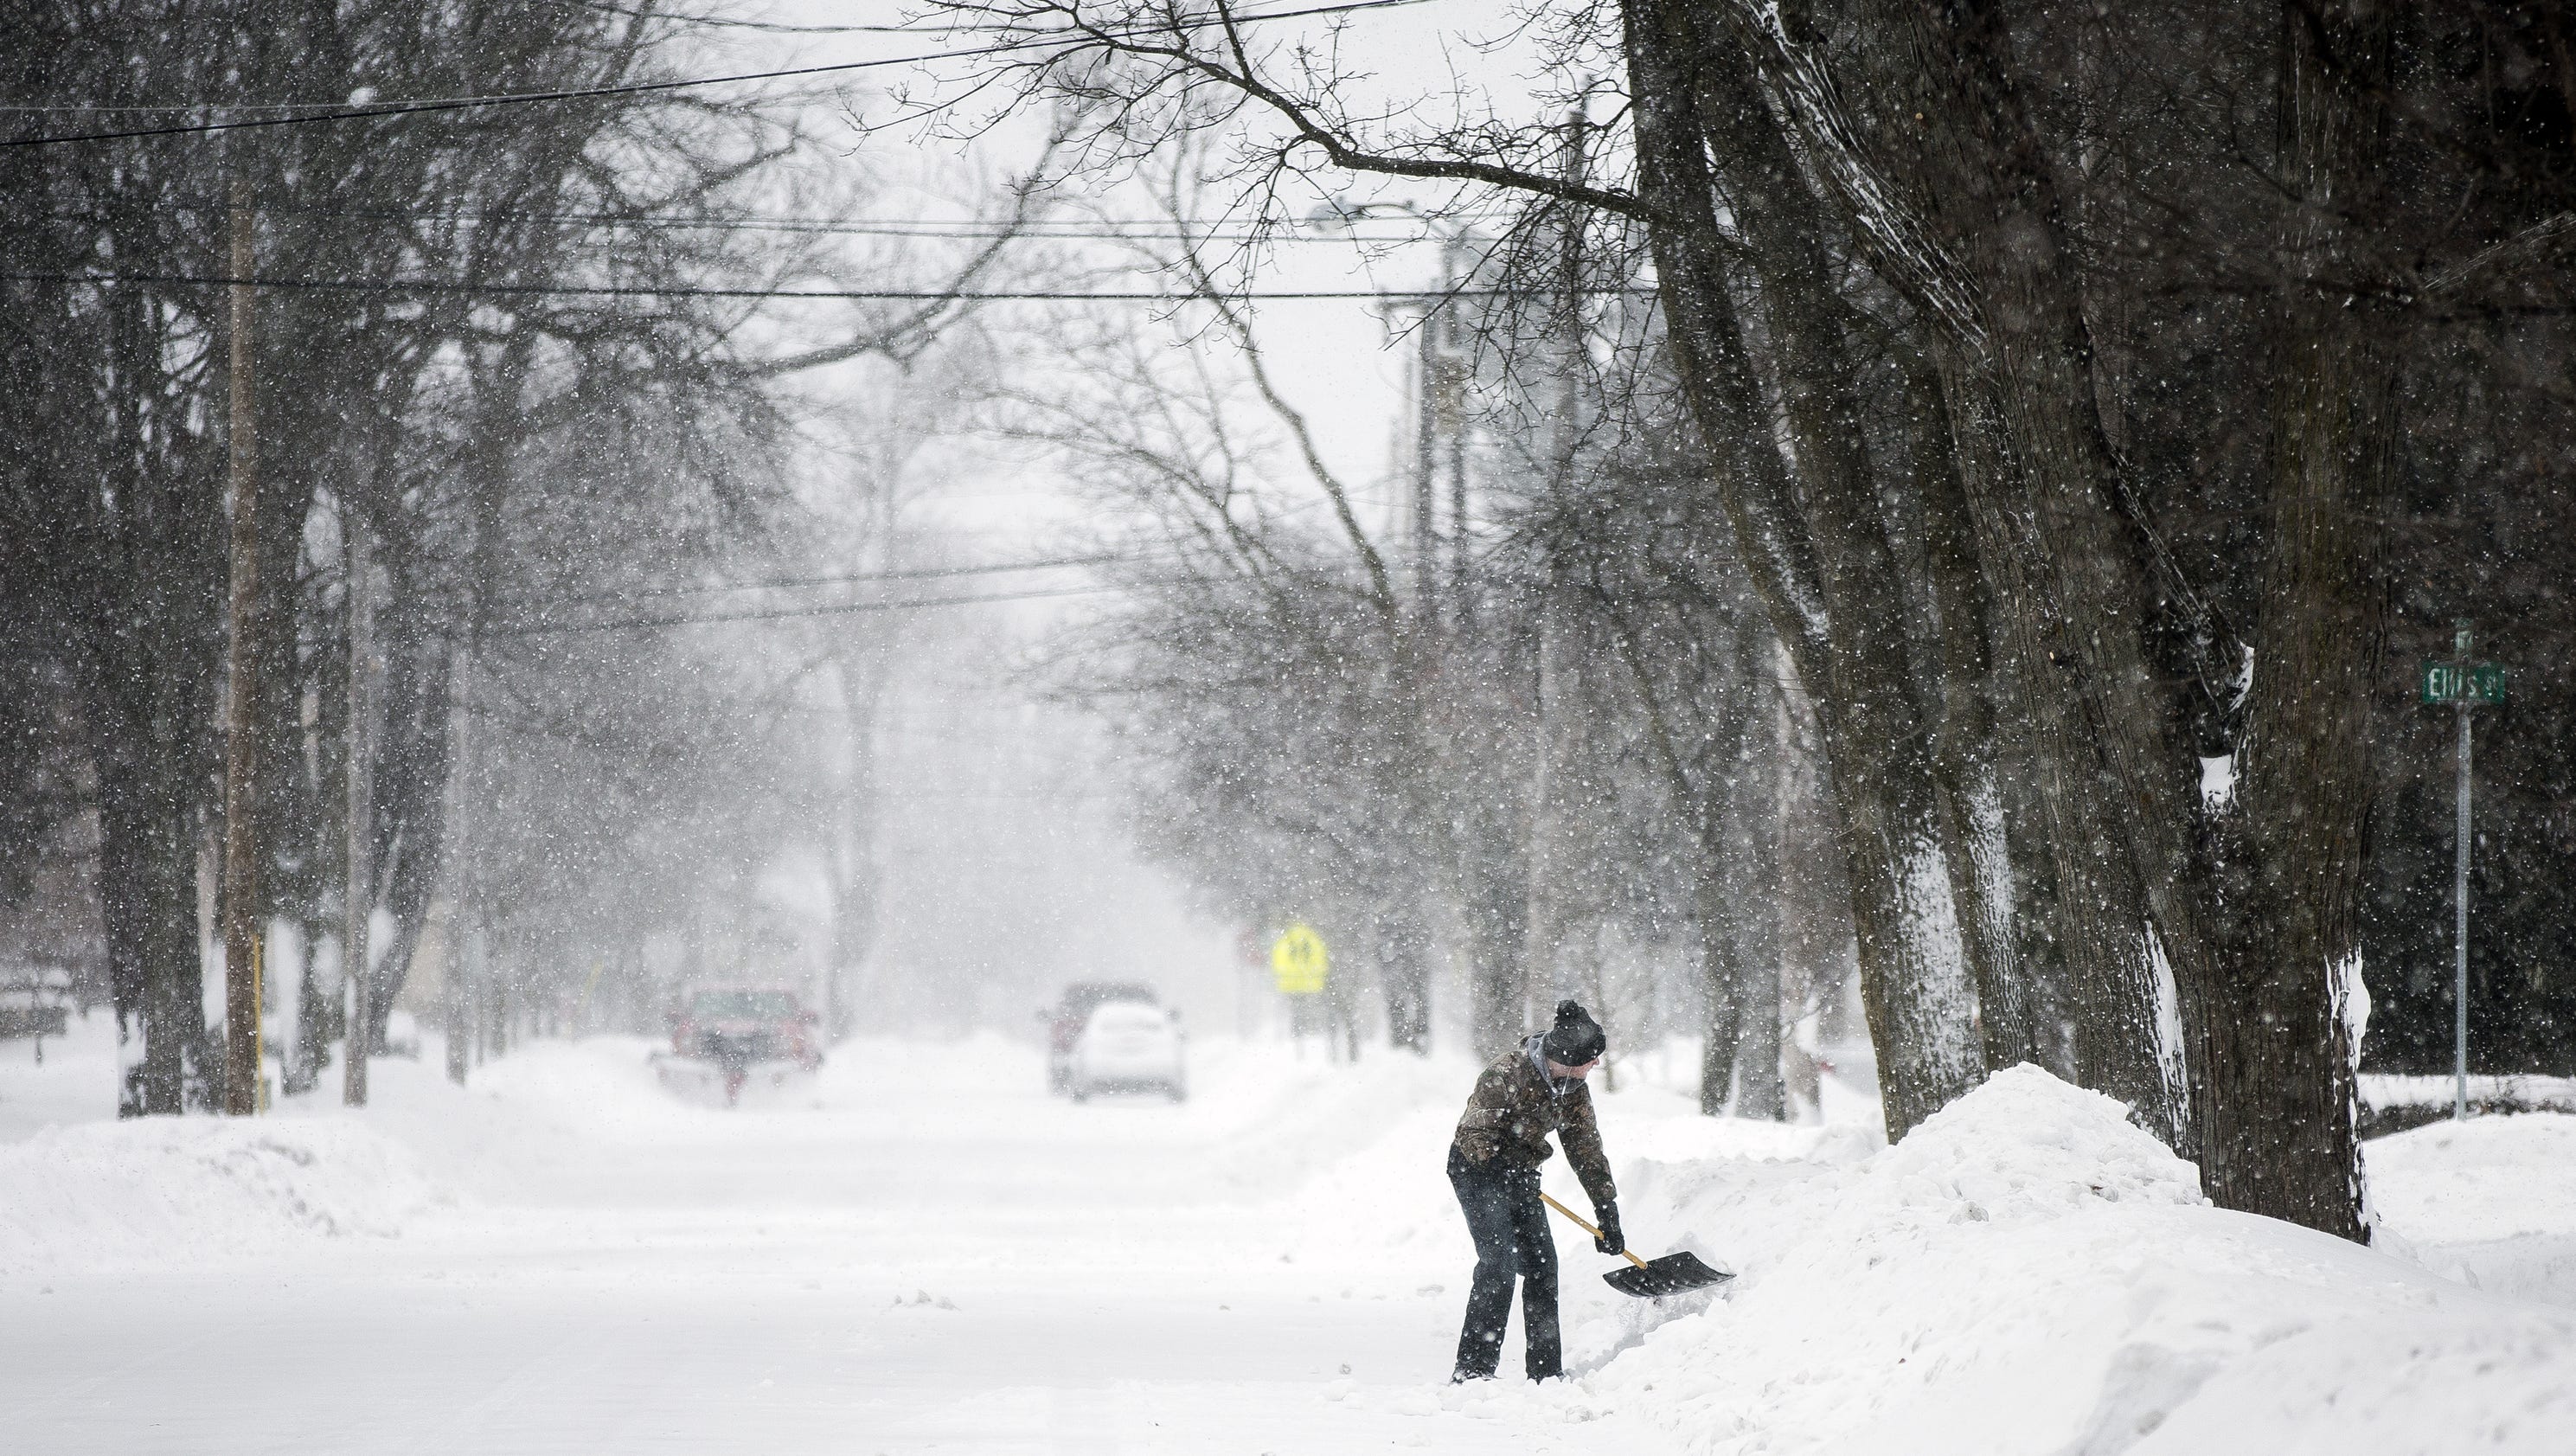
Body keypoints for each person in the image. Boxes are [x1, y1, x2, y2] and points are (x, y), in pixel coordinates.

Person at [1445, 999, 1620, 1382]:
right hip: (1476, 1170)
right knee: (1499, 1264)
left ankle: (1545, 1373)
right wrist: (1499, 1168)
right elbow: (1472, 1134)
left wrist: (1606, 1208)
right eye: (1591, 1059)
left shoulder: (1573, 1089)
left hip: (1520, 1175)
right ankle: (1472, 1371)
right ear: (1569, 1055)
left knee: (1543, 1267)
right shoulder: (1507, 1073)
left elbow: (1585, 1149)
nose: (1596, 1066)